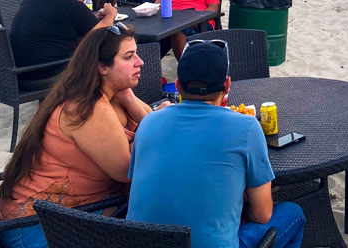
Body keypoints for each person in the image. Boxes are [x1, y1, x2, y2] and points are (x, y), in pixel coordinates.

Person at [127, 39, 304, 248]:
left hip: (141, 241)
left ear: (177, 86)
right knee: (294, 214)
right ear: (227, 85)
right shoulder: (246, 128)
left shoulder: (148, 123)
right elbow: (262, 214)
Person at [0, 23, 155, 248]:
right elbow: (128, 170)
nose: (140, 62)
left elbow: (150, 123)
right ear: (102, 67)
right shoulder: (86, 107)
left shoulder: (110, 93)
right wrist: (152, 129)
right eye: (129, 57)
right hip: (37, 228)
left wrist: (129, 98)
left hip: (71, 213)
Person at [11, 0, 118, 89]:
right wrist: (110, 14)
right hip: (47, 74)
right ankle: (93, 106)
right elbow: (101, 32)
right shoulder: (68, 3)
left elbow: (57, 23)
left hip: (18, 72)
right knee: (103, 65)